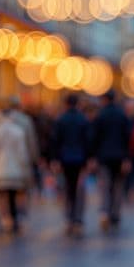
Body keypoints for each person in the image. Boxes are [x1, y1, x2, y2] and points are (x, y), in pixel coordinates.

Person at [0, 104, 34, 233]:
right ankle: (15, 218)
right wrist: (25, 167)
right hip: (15, 168)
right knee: (15, 194)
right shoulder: (18, 131)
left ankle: (4, 218)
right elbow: (22, 152)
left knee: (2, 195)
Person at [90, 90, 131, 231]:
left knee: (105, 186)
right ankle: (115, 214)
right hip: (120, 156)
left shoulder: (100, 116)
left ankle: (105, 212)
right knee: (117, 186)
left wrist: (93, 157)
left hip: (104, 156)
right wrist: (127, 158)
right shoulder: (122, 115)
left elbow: (94, 138)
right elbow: (127, 137)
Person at [51, 94, 90, 237]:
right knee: (80, 190)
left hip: (65, 159)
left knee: (68, 189)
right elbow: (87, 141)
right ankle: (78, 219)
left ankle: (69, 218)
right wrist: (89, 159)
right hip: (80, 159)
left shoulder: (61, 120)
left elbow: (55, 141)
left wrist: (55, 159)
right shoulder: (83, 119)